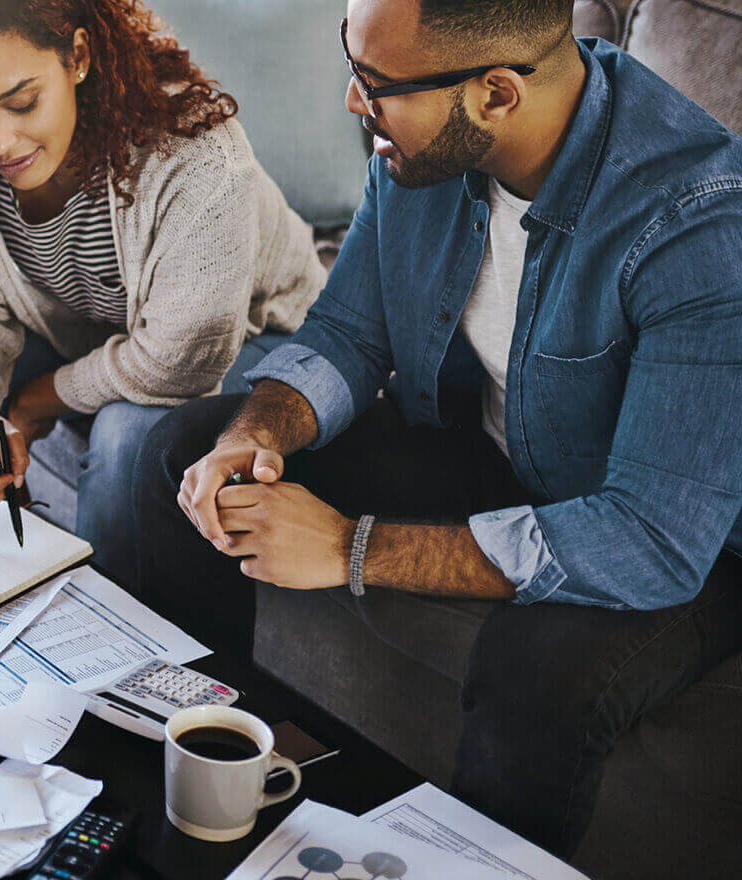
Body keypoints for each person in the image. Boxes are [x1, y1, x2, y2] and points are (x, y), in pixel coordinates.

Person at [133, 0, 742, 858]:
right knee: (187, 456)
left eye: (376, 86)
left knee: (537, 671)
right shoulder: (423, 146)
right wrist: (257, 433)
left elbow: (651, 538)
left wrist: (351, 546)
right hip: (491, 453)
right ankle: (213, 796)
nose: (352, 102)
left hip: (681, 539)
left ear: (496, 93)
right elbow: (350, 332)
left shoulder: (699, 221)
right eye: (352, 64)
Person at [0, 0, 326, 585]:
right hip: (101, 327)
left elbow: (176, 363)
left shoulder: (194, 151)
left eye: (21, 101)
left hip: (257, 333)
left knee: (129, 440)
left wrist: (29, 405)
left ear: (77, 56)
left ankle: (109, 648)